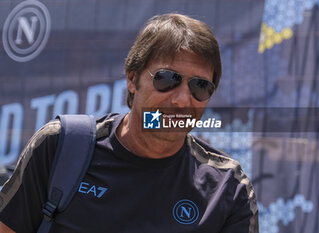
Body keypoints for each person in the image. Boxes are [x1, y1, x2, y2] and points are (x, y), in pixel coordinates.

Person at [0, 13, 258, 233]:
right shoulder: (61, 146)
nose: (182, 100)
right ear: (132, 80)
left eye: (200, 86)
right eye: (167, 79)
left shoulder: (228, 188)